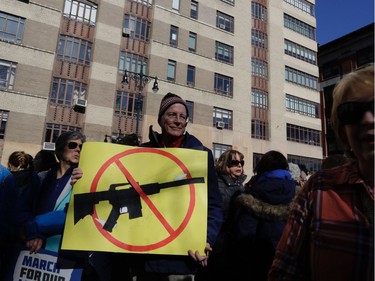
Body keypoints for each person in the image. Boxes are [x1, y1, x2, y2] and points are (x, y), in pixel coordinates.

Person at [268, 65, 374, 281]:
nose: (367, 120)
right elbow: (284, 271)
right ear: (343, 132)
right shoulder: (318, 188)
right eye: (352, 112)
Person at [133, 92, 223, 281]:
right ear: (160, 119)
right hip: (144, 258)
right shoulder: (142, 153)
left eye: (183, 117)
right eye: (172, 114)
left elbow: (213, 205)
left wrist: (206, 238)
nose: (178, 121)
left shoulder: (201, 155)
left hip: (183, 260)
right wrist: (83, 181)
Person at [223, 150, 295, 281]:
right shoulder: (299, 195)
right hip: (288, 266)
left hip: (258, 267)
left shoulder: (252, 195)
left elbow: (243, 237)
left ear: (261, 169)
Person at [204, 149, 246, 280]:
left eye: (241, 162)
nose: (239, 165)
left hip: (233, 245)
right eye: (234, 162)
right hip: (215, 242)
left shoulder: (242, 186)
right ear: (225, 164)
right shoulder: (214, 183)